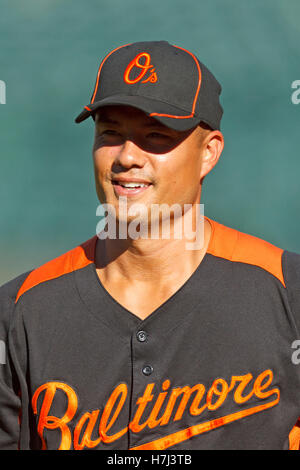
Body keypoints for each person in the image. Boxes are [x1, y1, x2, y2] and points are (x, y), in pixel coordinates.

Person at [1, 40, 300, 451]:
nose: (127, 157)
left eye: (156, 136)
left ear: (209, 153)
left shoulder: (287, 291)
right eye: (110, 133)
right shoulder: (20, 310)